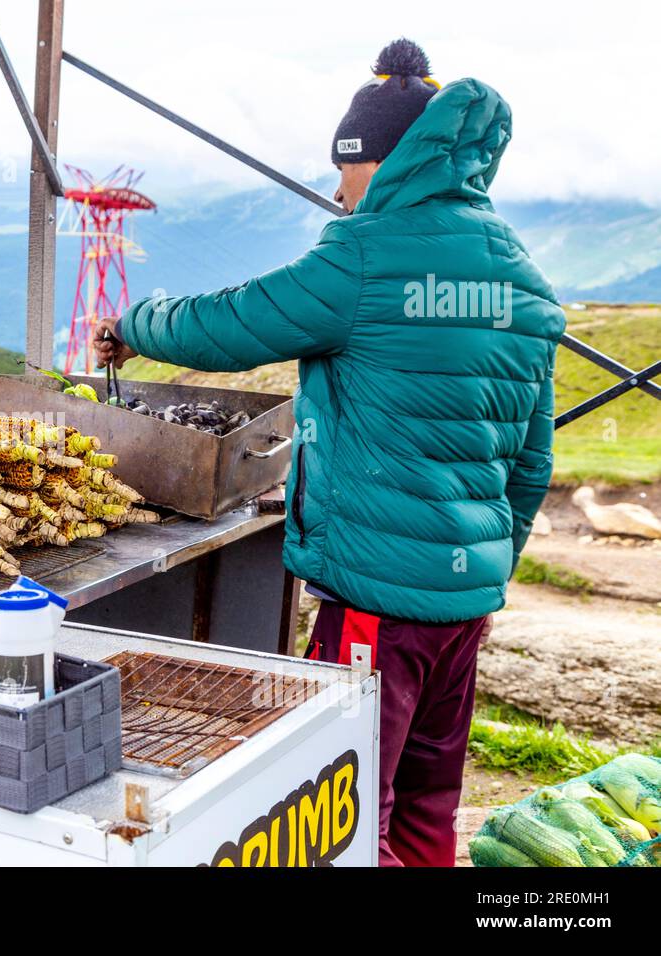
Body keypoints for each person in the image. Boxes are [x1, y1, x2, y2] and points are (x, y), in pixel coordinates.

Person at [93, 39, 564, 867]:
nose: (338, 187)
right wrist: (480, 568)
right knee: (426, 803)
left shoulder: (367, 252)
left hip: (376, 608)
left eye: (343, 167)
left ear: (377, 161)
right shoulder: (518, 273)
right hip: (461, 608)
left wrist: (134, 325)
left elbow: (237, 320)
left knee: (345, 813)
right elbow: (531, 461)